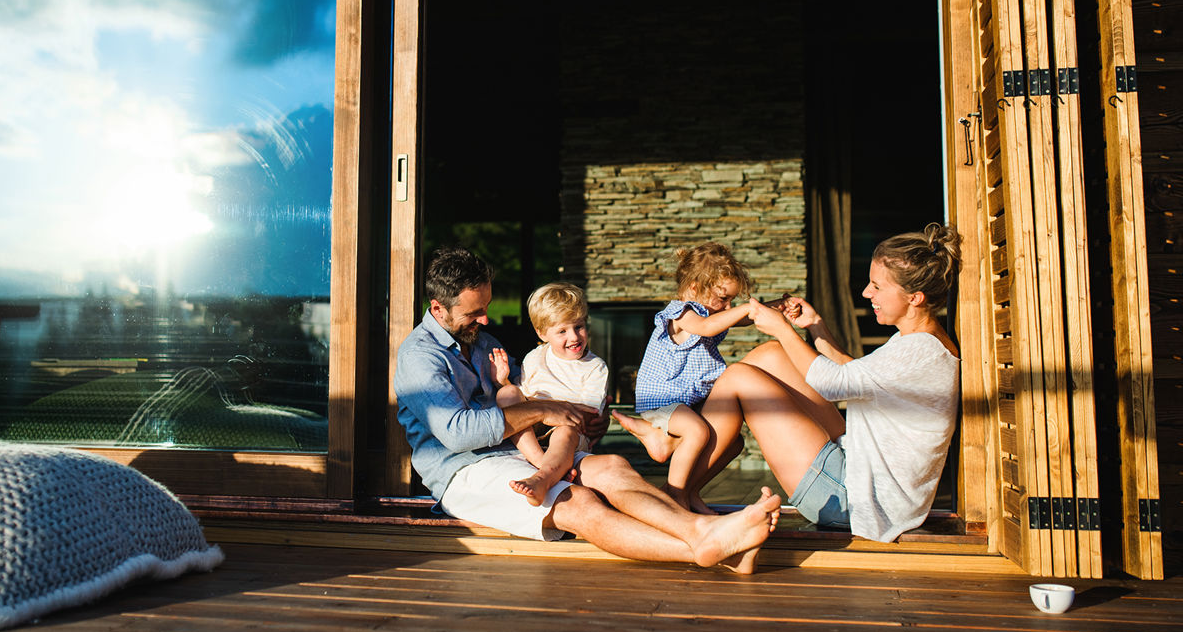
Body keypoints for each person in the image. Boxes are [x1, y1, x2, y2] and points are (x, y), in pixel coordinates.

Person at [394, 246, 781, 571]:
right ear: (438, 308)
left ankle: (710, 535)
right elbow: (460, 433)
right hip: (465, 470)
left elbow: (526, 389)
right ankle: (707, 546)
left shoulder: (479, 339)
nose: (486, 319)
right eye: (474, 313)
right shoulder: (419, 358)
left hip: (518, 453)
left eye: (487, 307)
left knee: (612, 466)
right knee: (577, 501)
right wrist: (548, 411)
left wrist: (581, 419)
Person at [695, 223, 962, 542]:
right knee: (769, 355)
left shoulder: (917, 352)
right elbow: (853, 373)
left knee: (741, 377)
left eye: (876, 286)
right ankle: (688, 465)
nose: (866, 293)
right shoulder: (918, 340)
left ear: (914, 298)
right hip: (858, 467)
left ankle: (681, 482)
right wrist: (815, 326)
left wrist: (783, 328)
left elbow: (833, 384)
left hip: (856, 500)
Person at [612, 242, 791, 514]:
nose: (728, 306)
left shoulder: (710, 311)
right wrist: (745, 309)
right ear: (695, 288)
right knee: (697, 432)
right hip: (663, 399)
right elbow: (707, 328)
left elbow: (740, 319)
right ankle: (676, 496)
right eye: (723, 298)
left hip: (687, 400)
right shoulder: (681, 313)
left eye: (731, 300)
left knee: (733, 442)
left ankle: (691, 490)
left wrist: (773, 307)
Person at [488, 282, 609, 506]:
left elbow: (587, 414)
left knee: (564, 432)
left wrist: (544, 409)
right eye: (562, 331)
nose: (574, 337)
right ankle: (540, 461)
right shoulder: (535, 357)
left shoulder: (595, 367)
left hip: (569, 429)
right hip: (534, 427)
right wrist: (502, 380)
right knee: (507, 393)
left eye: (579, 326)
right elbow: (522, 398)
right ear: (542, 333)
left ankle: (542, 479)